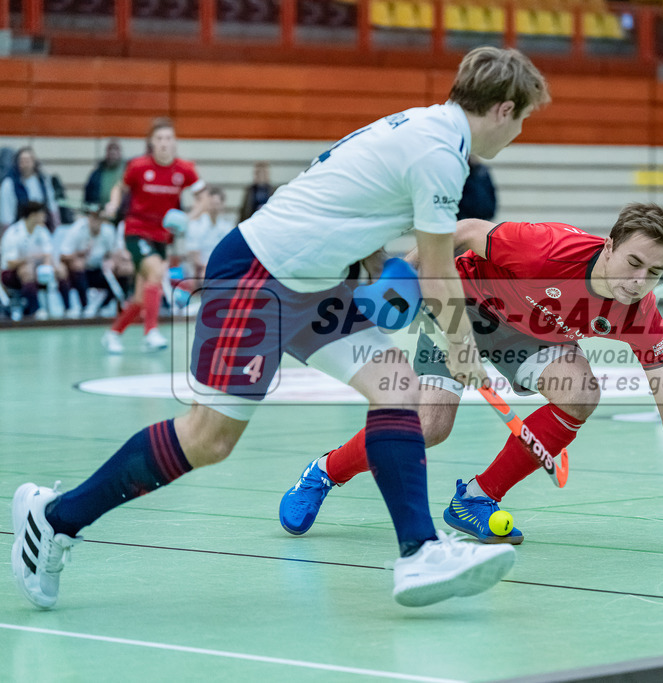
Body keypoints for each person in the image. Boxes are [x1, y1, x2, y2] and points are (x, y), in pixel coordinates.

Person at [10, 46, 551, 611]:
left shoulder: (424, 127)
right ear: (503, 110)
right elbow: (439, 272)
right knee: (208, 439)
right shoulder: (441, 152)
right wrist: (462, 347)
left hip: (315, 282)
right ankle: (55, 518)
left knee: (397, 388)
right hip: (258, 275)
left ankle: (419, 552)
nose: (518, 133)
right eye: (523, 120)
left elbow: (347, 203)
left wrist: (373, 264)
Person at [279, 203, 663, 551]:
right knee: (429, 427)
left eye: (653, 272)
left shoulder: (641, 314)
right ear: (609, 246)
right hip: (463, 309)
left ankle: (476, 499)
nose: (638, 281)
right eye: (633, 262)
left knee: (581, 393)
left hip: (535, 334)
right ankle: (323, 472)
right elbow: (464, 230)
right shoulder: (546, 249)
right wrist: (403, 280)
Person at [100, 118, 208, 354]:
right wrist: (113, 204)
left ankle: (113, 333)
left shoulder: (185, 169)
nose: (164, 143)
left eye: (168, 138)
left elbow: (204, 199)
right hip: (136, 231)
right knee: (157, 273)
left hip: (162, 237)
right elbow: (119, 188)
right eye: (159, 139)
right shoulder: (138, 166)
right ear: (152, 142)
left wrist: (188, 218)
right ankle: (151, 332)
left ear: (174, 142)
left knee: (142, 298)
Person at [0, 201, 72, 320]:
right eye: (42, 214)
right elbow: (10, 263)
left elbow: (48, 253)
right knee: (27, 270)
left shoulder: (41, 230)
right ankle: (36, 309)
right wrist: (30, 259)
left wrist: (48, 266)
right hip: (12, 273)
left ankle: (68, 309)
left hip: (37, 268)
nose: (45, 217)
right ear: (33, 215)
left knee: (61, 269)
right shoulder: (14, 232)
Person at [59, 203, 133, 318]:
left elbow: (114, 253)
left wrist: (112, 261)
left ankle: (106, 306)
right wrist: (79, 254)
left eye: (98, 218)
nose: (96, 221)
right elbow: (63, 255)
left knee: (126, 269)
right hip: (80, 272)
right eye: (93, 217)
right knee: (77, 265)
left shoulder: (108, 231)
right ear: (88, 217)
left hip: (100, 270)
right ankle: (84, 306)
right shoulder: (77, 229)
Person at [0, 147, 62, 231]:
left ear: (34, 162)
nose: (25, 164)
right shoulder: (9, 184)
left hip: (41, 227)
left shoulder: (43, 181)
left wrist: (55, 226)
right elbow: (6, 214)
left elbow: (52, 206)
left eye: (28, 161)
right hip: (19, 228)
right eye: (22, 161)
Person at [184, 186, 234, 282]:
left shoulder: (227, 227)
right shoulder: (195, 225)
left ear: (222, 205)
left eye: (217, 204)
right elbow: (194, 255)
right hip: (200, 271)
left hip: (221, 269)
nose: (214, 208)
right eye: (211, 204)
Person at [84, 140, 126, 210]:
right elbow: (88, 197)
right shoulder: (96, 174)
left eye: (116, 149)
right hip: (99, 212)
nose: (113, 152)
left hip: (121, 212)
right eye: (110, 149)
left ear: (120, 152)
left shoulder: (126, 172)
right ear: (106, 152)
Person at [456, 154, 497, 220]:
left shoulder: (482, 171)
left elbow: (491, 191)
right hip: (465, 216)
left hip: (484, 214)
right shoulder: (460, 172)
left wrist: (491, 210)